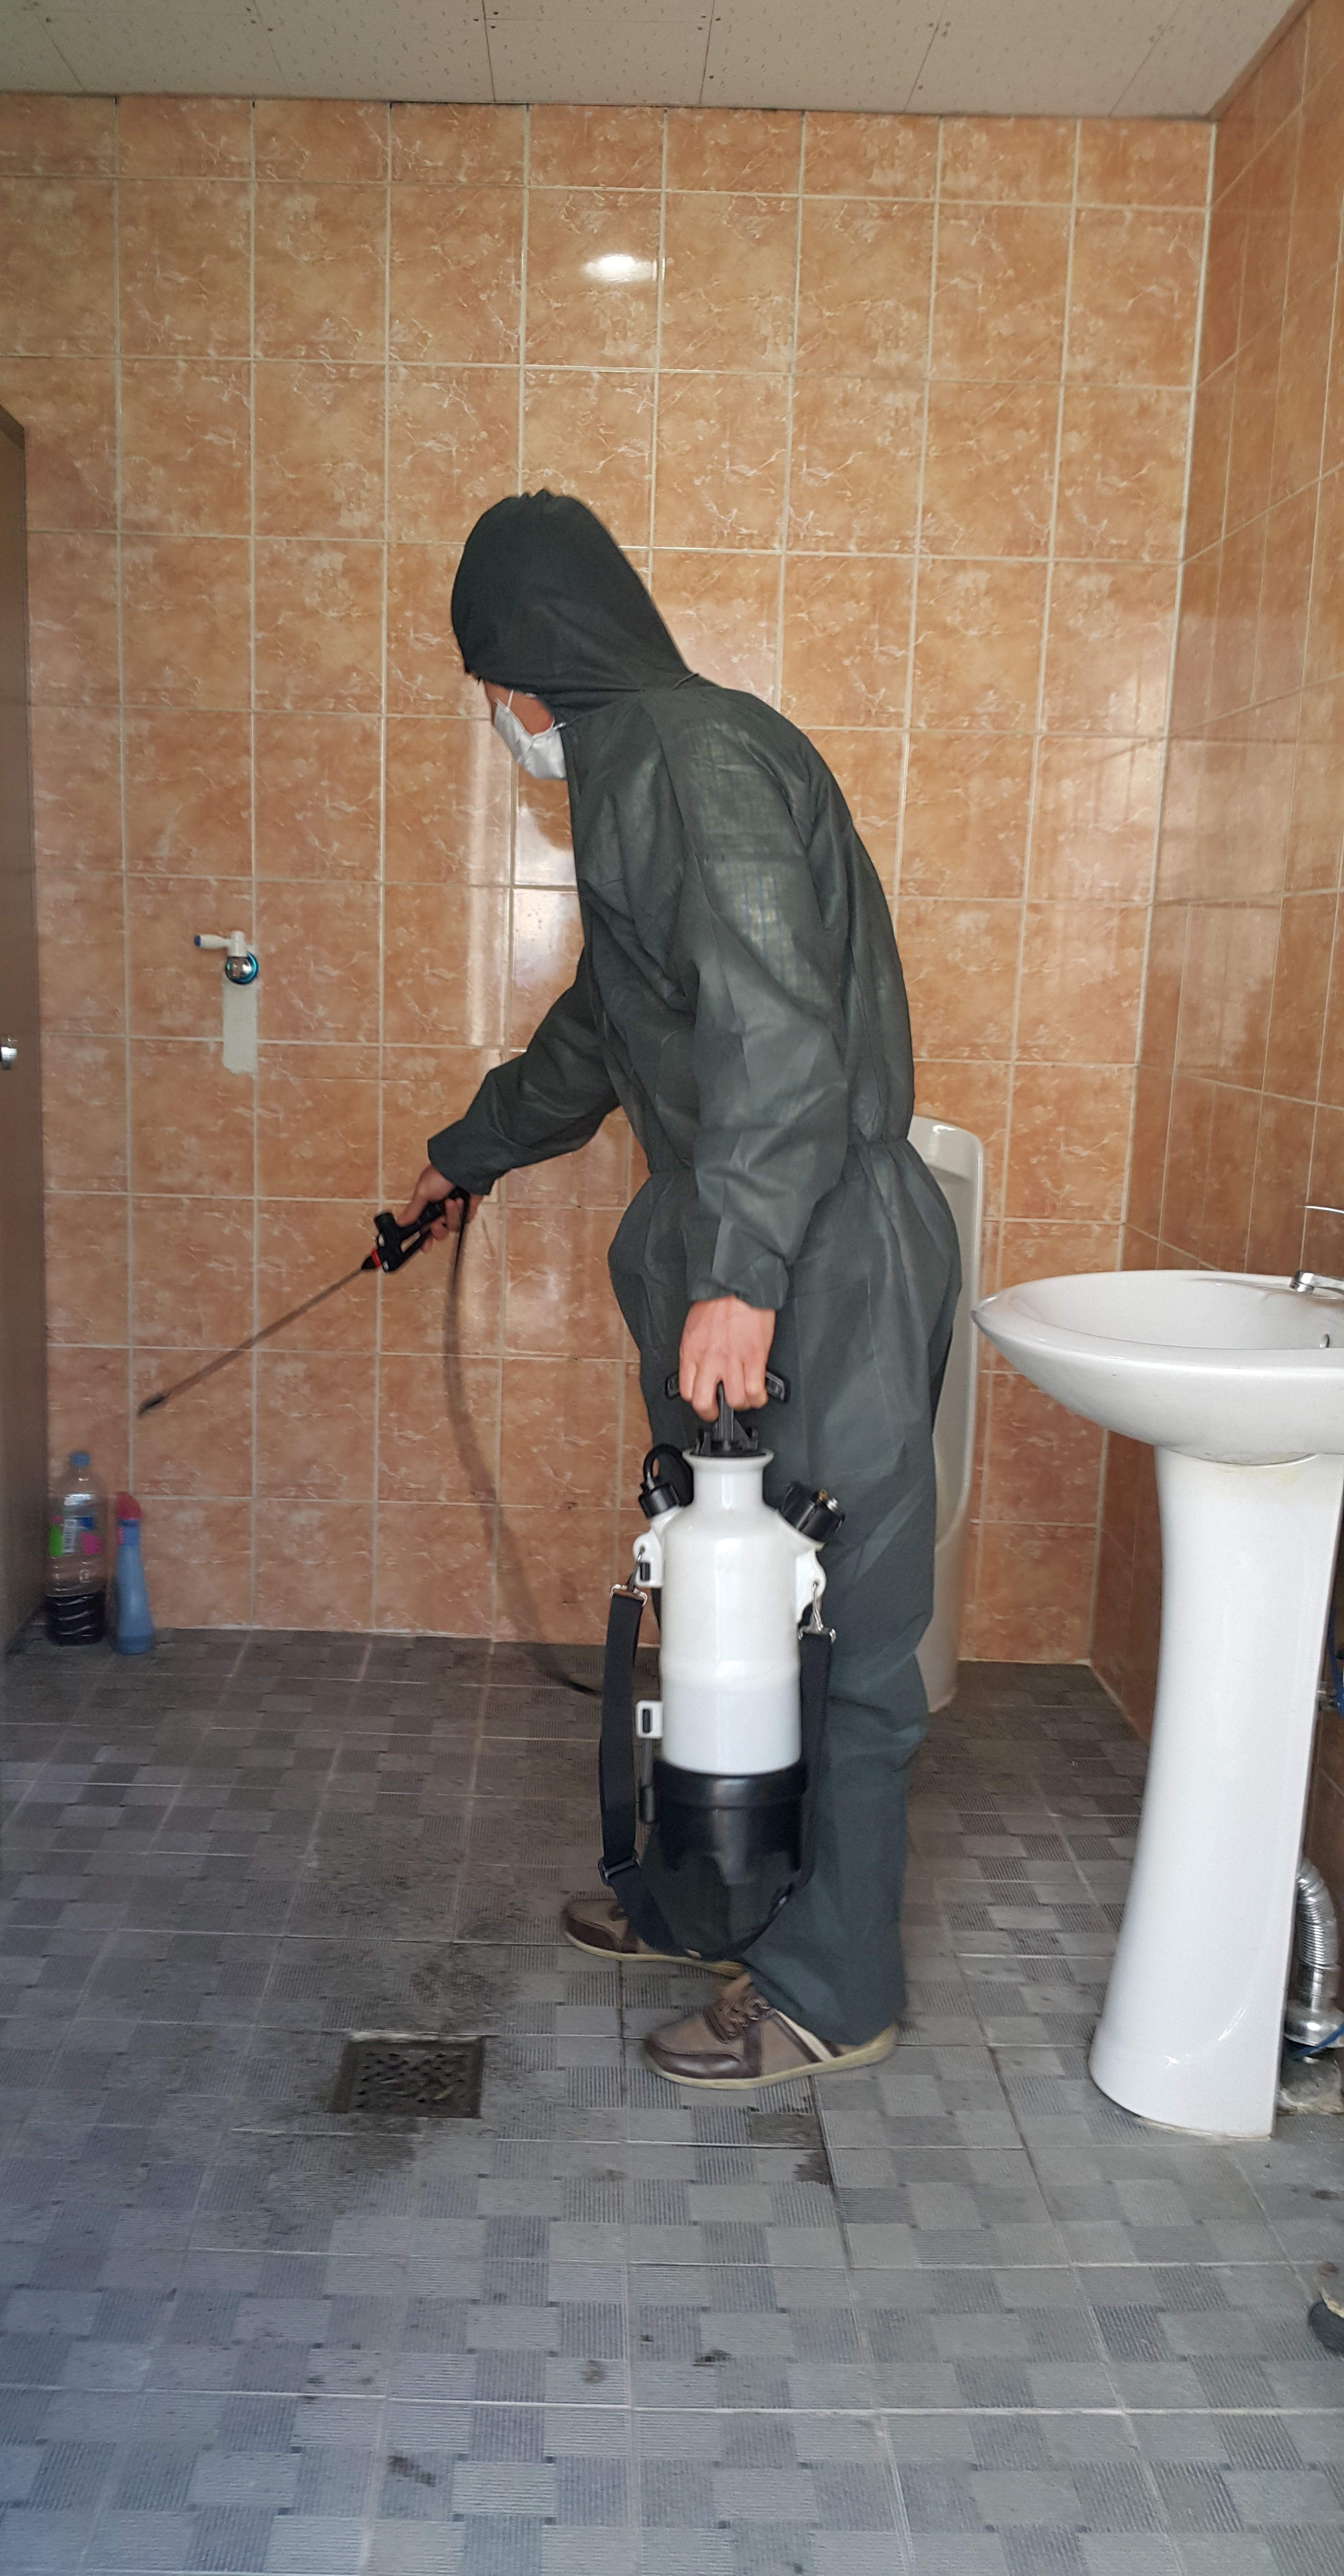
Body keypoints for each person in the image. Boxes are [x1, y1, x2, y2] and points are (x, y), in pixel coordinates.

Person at [400, 492, 959, 2091]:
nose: (498, 715)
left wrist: (741, 1274)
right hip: (760, 1236)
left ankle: (830, 1987)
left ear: (524, 660)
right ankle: (710, 1898)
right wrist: (465, 1156)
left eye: (491, 683)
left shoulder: (688, 757)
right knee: (724, 1602)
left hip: (814, 1250)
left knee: (834, 1627)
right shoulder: (639, 770)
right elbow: (609, 1025)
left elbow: (777, 1027)